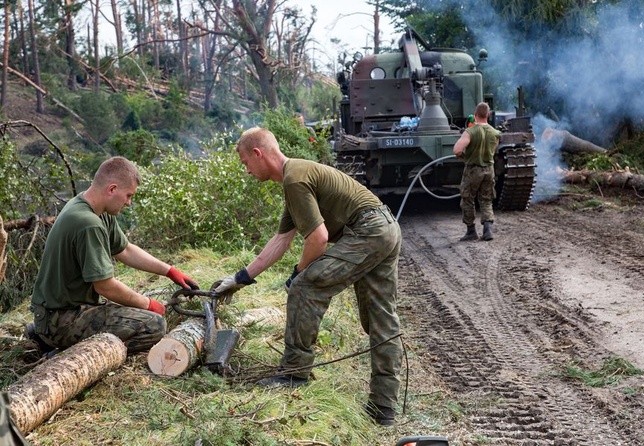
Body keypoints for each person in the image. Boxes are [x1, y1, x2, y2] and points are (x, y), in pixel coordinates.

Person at [213, 127, 403, 426]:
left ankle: (294, 374)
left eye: (245, 163)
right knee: (380, 317)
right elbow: (281, 240)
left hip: (369, 230)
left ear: (257, 153)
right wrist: (239, 278)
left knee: (304, 288)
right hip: (385, 228)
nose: (246, 171)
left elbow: (318, 238)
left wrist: (299, 273)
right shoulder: (295, 177)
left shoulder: (294, 178)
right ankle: (384, 408)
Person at [29, 156, 199, 354]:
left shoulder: (94, 208)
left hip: (56, 312)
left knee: (139, 313)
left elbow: (124, 249)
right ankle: (64, 350)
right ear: (112, 189)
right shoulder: (88, 224)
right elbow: (105, 286)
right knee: (154, 326)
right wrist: (148, 304)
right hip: (62, 319)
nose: (129, 203)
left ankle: (45, 335)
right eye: (128, 195)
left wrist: (169, 271)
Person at [453, 102, 501, 241]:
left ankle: (471, 231)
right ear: (488, 115)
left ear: (475, 115)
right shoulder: (495, 133)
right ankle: (487, 230)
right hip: (489, 170)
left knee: (467, 199)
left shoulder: (470, 132)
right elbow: (493, 151)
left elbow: (457, 150)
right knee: (486, 199)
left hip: (473, 170)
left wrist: (463, 157)